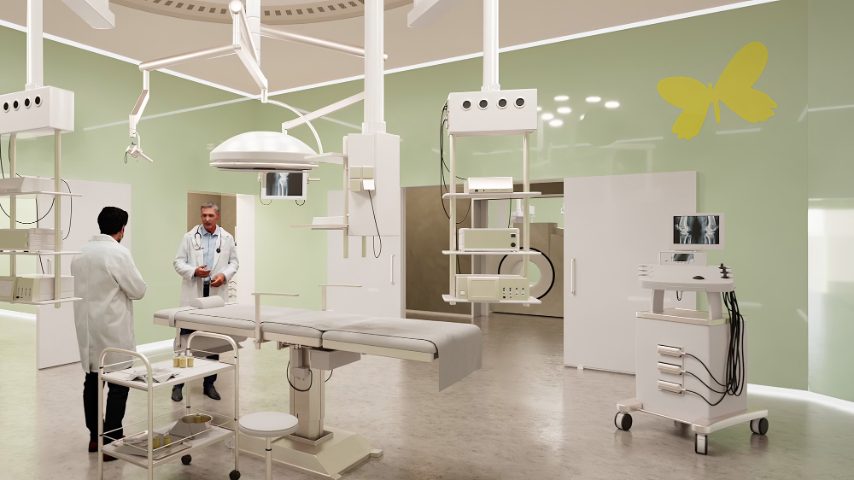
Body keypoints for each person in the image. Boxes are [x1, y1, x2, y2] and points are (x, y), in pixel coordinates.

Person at [71, 206, 147, 458]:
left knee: (92, 381)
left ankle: (95, 437)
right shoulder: (118, 253)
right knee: (118, 385)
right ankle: (113, 440)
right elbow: (138, 290)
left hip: (88, 329)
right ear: (122, 229)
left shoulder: (80, 253)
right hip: (113, 329)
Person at [171, 202, 239, 402]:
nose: (207, 219)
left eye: (210, 215)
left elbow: (234, 262)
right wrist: (194, 271)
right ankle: (178, 384)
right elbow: (178, 262)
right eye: (204, 215)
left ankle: (209, 383)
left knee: (213, 342)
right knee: (184, 341)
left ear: (217, 216)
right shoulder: (189, 237)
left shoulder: (227, 238)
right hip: (193, 296)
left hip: (214, 297)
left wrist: (224, 276)